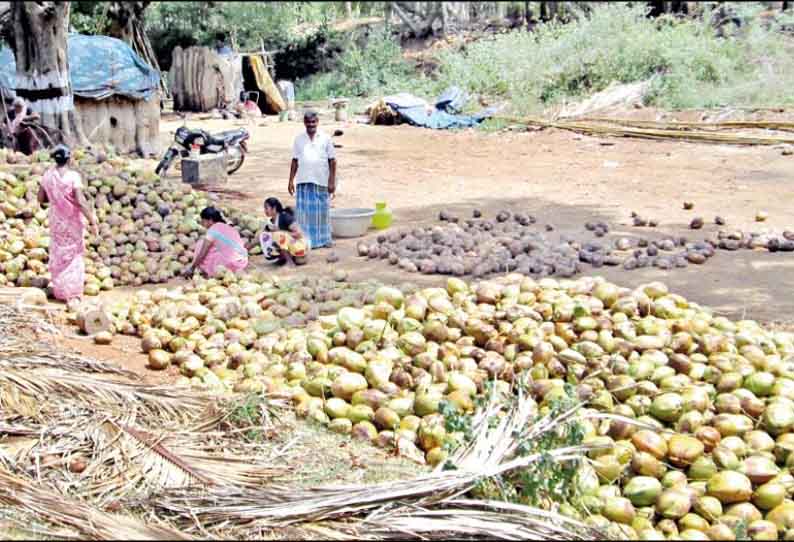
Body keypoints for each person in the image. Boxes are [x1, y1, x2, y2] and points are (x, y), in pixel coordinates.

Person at [37, 145, 98, 309]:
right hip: (72, 222)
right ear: (69, 159)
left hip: (56, 221)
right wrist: (92, 219)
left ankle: (60, 291)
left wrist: (56, 197)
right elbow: (80, 201)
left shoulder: (47, 176)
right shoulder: (73, 177)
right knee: (73, 255)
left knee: (59, 253)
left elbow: (41, 198)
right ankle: (72, 294)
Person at [288, 109, 336, 250]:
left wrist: (331, 181)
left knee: (322, 211)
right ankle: (307, 241)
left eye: (313, 122)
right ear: (304, 123)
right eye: (308, 122)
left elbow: (332, 161)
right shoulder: (299, 139)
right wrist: (291, 180)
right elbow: (295, 161)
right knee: (304, 214)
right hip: (303, 180)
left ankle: (325, 239)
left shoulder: (326, 138)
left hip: (321, 180)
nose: (311, 125)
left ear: (317, 122)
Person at [184, 206, 248, 277]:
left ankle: (206, 270)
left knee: (201, 244)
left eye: (203, 221)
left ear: (210, 220)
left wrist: (192, 268)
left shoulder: (213, 230)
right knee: (214, 246)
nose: (202, 224)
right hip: (243, 261)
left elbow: (202, 253)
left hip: (230, 264)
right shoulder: (228, 226)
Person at [247, 197, 308, 266]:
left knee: (278, 235)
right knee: (266, 236)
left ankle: (289, 262)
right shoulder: (271, 223)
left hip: (298, 246)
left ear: (274, 208)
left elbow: (299, 234)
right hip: (289, 247)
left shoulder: (285, 217)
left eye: (266, 208)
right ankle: (283, 259)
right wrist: (247, 248)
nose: (265, 211)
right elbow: (260, 238)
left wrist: (280, 232)